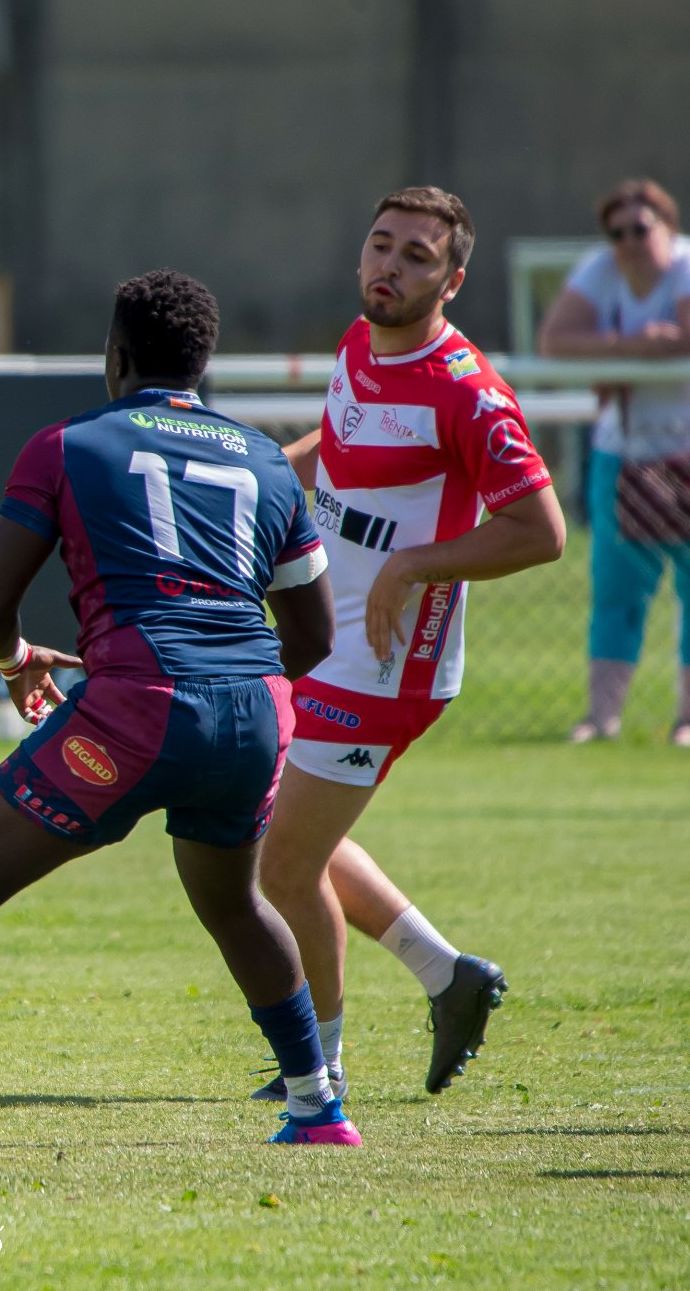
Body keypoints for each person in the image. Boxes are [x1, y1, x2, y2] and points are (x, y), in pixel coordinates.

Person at [0, 271, 355, 1151]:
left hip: (134, 713)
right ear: (202, 362)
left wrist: (18, 662)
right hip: (253, 713)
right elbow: (314, 636)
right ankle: (320, 1108)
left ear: (116, 354)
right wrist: (217, 686)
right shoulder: (268, 459)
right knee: (236, 903)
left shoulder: (69, 445)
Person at [256, 187, 565, 1104]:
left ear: (454, 280)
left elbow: (541, 531)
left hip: (392, 664)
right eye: (381, 245)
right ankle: (447, 975)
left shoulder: (465, 391)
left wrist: (415, 568)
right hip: (323, 636)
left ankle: (319, 1066)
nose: (390, 265)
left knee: (280, 864)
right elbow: (337, 444)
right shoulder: (359, 342)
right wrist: (270, 479)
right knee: (275, 832)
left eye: (417, 256)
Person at [537, 178, 690, 746]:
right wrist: (635, 345)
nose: (629, 241)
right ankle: (602, 718)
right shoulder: (601, 271)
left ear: (667, 226)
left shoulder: (685, 266)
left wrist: (621, 351)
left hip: (686, 450)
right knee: (617, 588)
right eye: (617, 231)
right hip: (622, 452)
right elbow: (556, 339)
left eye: (641, 228)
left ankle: (687, 720)